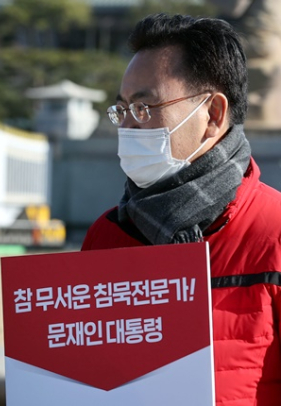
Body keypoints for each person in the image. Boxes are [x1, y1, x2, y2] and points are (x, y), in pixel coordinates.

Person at [83, 13, 281, 405]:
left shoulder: (273, 232)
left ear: (213, 115)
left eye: (145, 108)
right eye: (122, 110)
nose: (129, 127)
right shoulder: (106, 235)